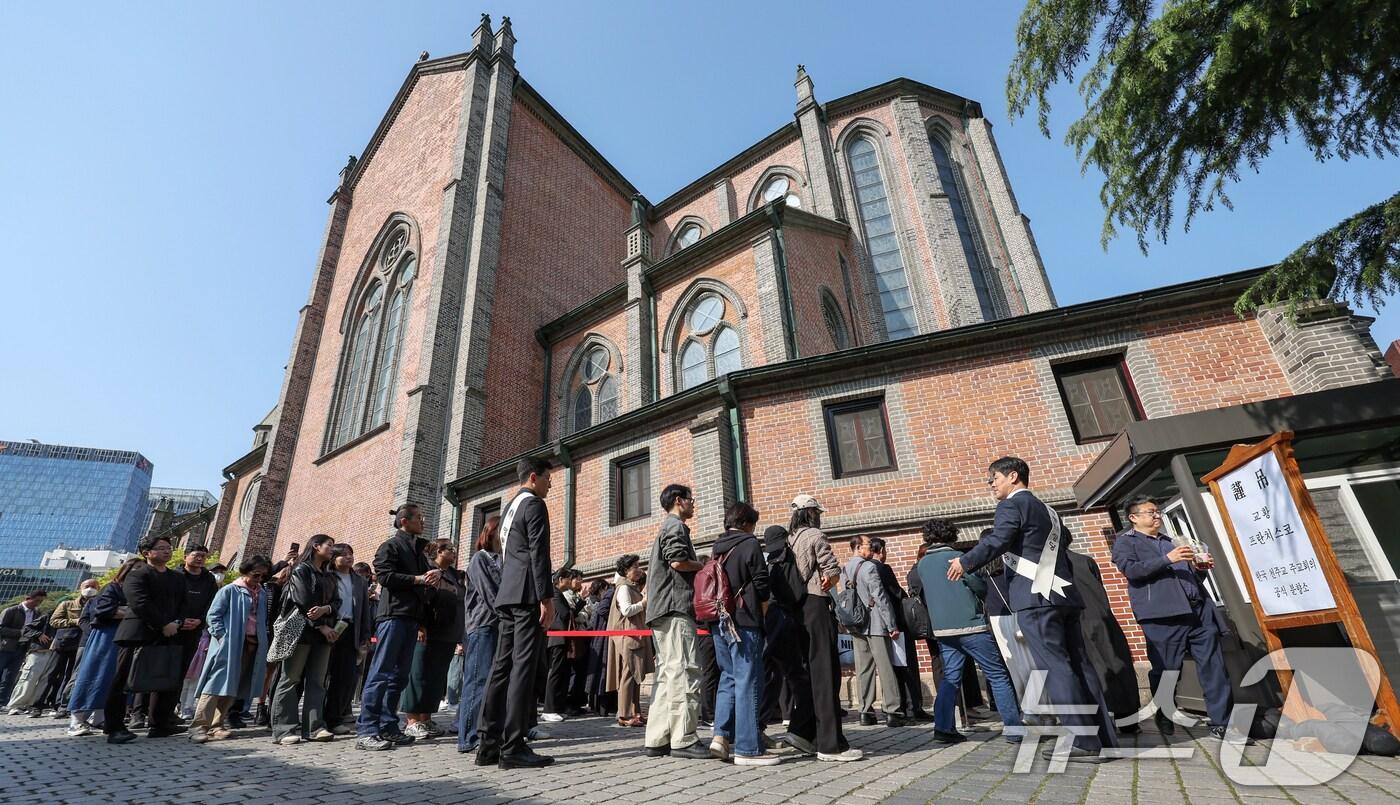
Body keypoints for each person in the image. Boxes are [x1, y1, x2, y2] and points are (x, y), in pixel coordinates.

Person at [949, 457, 1117, 762]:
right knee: (1080, 665)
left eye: (994, 479)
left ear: (1012, 476)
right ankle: (1104, 737)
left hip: (1034, 599)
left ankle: (1084, 742)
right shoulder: (1048, 510)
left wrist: (965, 561)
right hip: (1062, 595)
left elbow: (999, 540)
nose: (992, 485)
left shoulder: (1011, 506)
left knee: (1056, 666)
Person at [1111, 496, 1247, 743]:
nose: (1157, 516)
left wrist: (1199, 569)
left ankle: (1222, 724)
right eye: (1150, 512)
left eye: (1157, 511)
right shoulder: (1125, 543)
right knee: (1166, 670)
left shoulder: (1169, 541)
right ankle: (1164, 711)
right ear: (1134, 517)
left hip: (1198, 612)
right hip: (1162, 616)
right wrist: (1167, 559)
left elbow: (1187, 579)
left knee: (1214, 668)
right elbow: (1132, 571)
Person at [477, 456, 556, 769]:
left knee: (501, 668)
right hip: (526, 594)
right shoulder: (534, 504)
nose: (551, 483)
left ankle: (487, 743)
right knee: (523, 667)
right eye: (548, 478)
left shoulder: (510, 507)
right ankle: (514, 746)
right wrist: (546, 598)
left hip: (508, 594)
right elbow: (539, 553)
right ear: (534, 477)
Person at [915, 518, 1024, 744]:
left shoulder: (922, 564)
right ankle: (1014, 728)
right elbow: (978, 586)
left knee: (950, 679)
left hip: (943, 630)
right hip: (970, 625)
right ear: (951, 536)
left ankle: (943, 727)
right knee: (997, 675)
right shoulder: (956, 558)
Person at [787, 494, 861, 761]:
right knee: (826, 673)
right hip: (816, 605)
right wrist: (831, 579)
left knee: (808, 672)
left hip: (796, 610)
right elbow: (830, 572)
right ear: (811, 513)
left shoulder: (789, 538)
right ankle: (830, 744)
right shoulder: (815, 535)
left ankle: (802, 731)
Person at [357, 504, 437, 751]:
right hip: (392, 616)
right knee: (380, 673)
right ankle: (367, 730)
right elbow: (385, 577)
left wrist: (431, 580)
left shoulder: (417, 550)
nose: (423, 522)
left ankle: (388, 725)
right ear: (404, 521)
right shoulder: (390, 546)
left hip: (411, 618)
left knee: (399, 677)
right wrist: (418, 579)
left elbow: (423, 582)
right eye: (419, 519)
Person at [707, 501, 778, 766]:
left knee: (728, 677)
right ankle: (748, 748)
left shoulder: (717, 548)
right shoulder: (749, 544)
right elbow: (761, 584)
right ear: (747, 523)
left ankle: (721, 737)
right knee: (748, 679)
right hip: (744, 620)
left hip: (718, 619)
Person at [642, 483, 709, 759]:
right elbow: (678, 562)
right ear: (679, 501)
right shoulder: (675, 526)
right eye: (691, 500)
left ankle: (658, 739)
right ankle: (684, 738)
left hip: (662, 613)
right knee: (684, 672)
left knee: (667, 676)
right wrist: (704, 565)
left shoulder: (667, 527)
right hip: (675, 610)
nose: (694, 504)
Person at [105, 535, 187, 743]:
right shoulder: (137, 574)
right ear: (147, 553)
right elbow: (139, 603)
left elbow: (183, 603)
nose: (166, 551)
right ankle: (114, 727)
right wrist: (162, 624)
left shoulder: (177, 577)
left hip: (169, 632)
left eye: (169, 548)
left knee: (163, 677)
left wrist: (177, 622)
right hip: (137, 632)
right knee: (123, 679)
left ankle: (159, 724)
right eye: (160, 548)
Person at [190, 555, 271, 743]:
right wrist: (223, 637)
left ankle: (217, 724)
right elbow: (213, 616)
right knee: (214, 684)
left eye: (262, 576)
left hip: (252, 645)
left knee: (233, 685)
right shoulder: (230, 590)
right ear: (245, 571)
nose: (258, 579)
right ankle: (199, 726)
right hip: (229, 644)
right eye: (255, 575)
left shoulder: (261, 592)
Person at [1066, 537, 1142, 734]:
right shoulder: (1086, 561)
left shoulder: (1050, 568)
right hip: (1103, 617)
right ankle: (1128, 721)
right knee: (1118, 665)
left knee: (1095, 672)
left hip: (1078, 621)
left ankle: (1103, 723)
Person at [272, 534, 342, 745]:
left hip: (324, 634)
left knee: (317, 682)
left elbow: (337, 601)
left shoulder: (329, 575)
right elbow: (302, 601)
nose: (332, 549)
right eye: (328, 545)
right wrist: (320, 625)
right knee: (290, 679)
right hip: (301, 631)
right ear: (315, 546)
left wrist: (326, 610)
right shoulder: (301, 570)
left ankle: (314, 727)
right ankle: (283, 729)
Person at [67, 558, 143, 736]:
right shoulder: (112, 587)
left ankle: (100, 717)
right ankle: (77, 720)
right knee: (95, 674)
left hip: (127, 636)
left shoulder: (137, 591)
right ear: (126, 570)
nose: (140, 572)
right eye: (136, 568)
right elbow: (105, 610)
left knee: (114, 679)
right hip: (106, 636)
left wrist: (128, 612)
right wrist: (135, 612)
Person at [403, 538, 465, 738]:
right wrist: (420, 625)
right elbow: (420, 600)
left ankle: (426, 718)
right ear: (438, 551)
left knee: (437, 677)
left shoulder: (455, 576)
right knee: (419, 673)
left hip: (448, 632)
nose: (454, 552)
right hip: (427, 629)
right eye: (449, 549)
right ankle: (412, 720)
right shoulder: (427, 570)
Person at [843, 534, 906, 728]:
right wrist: (891, 624)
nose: (871, 548)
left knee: (863, 668)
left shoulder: (846, 567)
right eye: (868, 545)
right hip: (875, 622)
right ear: (858, 547)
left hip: (856, 623)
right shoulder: (869, 567)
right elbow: (880, 597)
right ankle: (892, 710)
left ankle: (865, 711)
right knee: (885, 666)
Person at [870, 538, 933, 723]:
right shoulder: (882, 568)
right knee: (908, 667)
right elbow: (896, 593)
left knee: (894, 668)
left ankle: (900, 706)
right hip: (897, 623)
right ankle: (914, 707)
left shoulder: (865, 569)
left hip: (880, 626)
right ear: (880, 550)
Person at [457, 515, 502, 753]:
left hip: (501, 626)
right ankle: (469, 736)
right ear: (491, 532)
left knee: (494, 681)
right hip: (483, 625)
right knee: (477, 680)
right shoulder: (479, 559)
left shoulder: (503, 559)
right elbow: (490, 593)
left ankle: (490, 731)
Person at [325, 543, 373, 735]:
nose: (348, 557)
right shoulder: (327, 577)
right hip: (327, 628)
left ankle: (334, 719)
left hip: (349, 629)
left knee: (344, 677)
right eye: (343, 555)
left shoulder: (359, 581)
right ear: (333, 558)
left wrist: (365, 635)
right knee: (321, 675)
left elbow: (364, 610)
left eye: (350, 554)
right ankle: (313, 718)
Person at [39, 580, 95, 718]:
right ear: (80, 588)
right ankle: (38, 704)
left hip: (82, 643)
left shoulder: (96, 604)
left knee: (70, 675)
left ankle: (61, 704)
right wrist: (75, 621)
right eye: (87, 586)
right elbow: (54, 621)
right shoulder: (67, 604)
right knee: (52, 674)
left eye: (93, 587)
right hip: (64, 643)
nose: (90, 589)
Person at [606, 554, 650, 729]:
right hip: (628, 638)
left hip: (635, 636)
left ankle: (635, 712)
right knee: (628, 675)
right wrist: (644, 603)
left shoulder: (632, 588)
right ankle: (624, 714)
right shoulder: (624, 588)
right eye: (635, 567)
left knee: (636, 677)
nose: (639, 570)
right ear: (626, 571)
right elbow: (626, 610)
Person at [173, 544, 220, 698]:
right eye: (196, 555)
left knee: (182, 670)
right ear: (185, 556)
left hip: (195, 629)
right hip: (172, 628)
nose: (200, 558)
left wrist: (200, 620)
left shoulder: (209, 579)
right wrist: (179, 620)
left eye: (203, 556)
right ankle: (140, 711)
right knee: (162, 667)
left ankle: (170, 708)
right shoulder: (174, 576)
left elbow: (212, 603)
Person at [0, 590, 48, 708]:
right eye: (36, 600)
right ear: (28, 598)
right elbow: (1, 629)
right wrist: (22, 633)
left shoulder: (37, 613)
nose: (38, 603)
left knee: (10, 676)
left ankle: (2, 701)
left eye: (41, 601)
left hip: (22, 648)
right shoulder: (11, 610)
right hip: (5, 647)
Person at [541, 571, 575, 723]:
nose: (570, 581)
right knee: (554, 673)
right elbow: (564, 613)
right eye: (568, 578)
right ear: (560, 579)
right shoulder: (554, 594)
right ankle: (549, 709)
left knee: (561, 674)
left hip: (561, 638)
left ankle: (557, 707)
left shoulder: (557, 593)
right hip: (556, 638)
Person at [582, 577, 614, 717]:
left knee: (597, 672)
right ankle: (601, 708)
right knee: (602, 671)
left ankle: (596, 706)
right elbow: (602, 611)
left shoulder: (597, 601)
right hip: (601, 639)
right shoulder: (602, 601)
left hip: (596, 638)